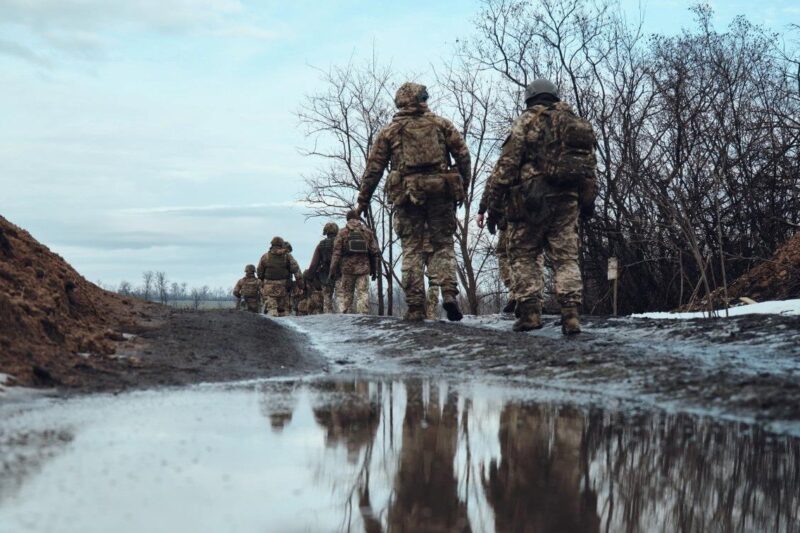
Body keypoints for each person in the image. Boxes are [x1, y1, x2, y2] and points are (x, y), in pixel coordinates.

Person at [479, 79, 597, 334]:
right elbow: (589, 168)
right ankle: (571, 315)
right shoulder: (575, 123)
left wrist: (494, 206)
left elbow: (506, 166)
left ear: (530, 98)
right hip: (568, 199)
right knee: (566, 257)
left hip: (531, 198)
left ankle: (531, 314)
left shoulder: (527, 121)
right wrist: (588, 201)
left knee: (524, 253)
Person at [357, 81, 472, 321]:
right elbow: (463, 155)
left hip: (407, 196)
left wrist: (363, 200)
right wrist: (463, 185)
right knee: (443, 245)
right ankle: (449, 293)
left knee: (412, 249)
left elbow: (374, 169)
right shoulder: (441, 124)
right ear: (422, 100)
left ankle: (416, 306)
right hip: (441, 193)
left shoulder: (390, 131)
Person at [329, 210, 379, 314]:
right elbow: (375, 253)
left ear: (347, 219)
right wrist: (375, 270)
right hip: (363, 270)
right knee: (363, 294)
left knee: (347, 294)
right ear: (358, 219)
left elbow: (336, 254)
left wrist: (332, 271)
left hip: (347, 270)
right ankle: (363, 317)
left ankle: (347, 321)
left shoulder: (342, 233)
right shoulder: (367, 232)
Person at [257, 236, 303, 317]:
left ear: (272, 245)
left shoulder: (265, 257)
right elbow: (296, 271)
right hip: (284, 289)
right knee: (284, 312)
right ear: (282, 245)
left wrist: (263, 283)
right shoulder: (287, 256)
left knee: (271, 311)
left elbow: (259, 273)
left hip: (269, 290)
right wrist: (301, 285)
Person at [308, 222, 339, 313]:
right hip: (339, 274)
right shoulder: (341, 242)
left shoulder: (321, 245)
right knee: (340, 298)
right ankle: (343, 319)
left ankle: (328, 321)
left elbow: (314, 263)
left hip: (325, 276)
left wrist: (309, 277)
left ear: (326, 232)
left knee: (327, 300)